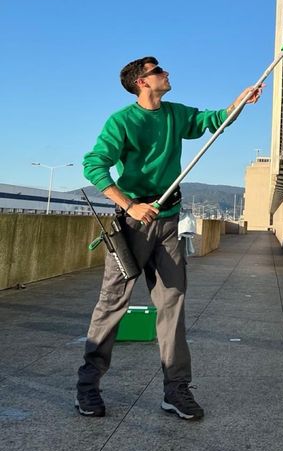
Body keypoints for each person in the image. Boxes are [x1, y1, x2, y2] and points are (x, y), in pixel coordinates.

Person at [76, 56, 262, 420]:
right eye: (158, 71)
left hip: (168, 222)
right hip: (133, 227)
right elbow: (93, 165)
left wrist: (239, 103)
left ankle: (176, 390)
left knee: (173, 304)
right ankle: (88, 387)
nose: (167, 73)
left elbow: (213, 121)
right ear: (142, 82)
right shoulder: (122, 121)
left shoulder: (175, 114)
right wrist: (130, 205)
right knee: (112, 304)